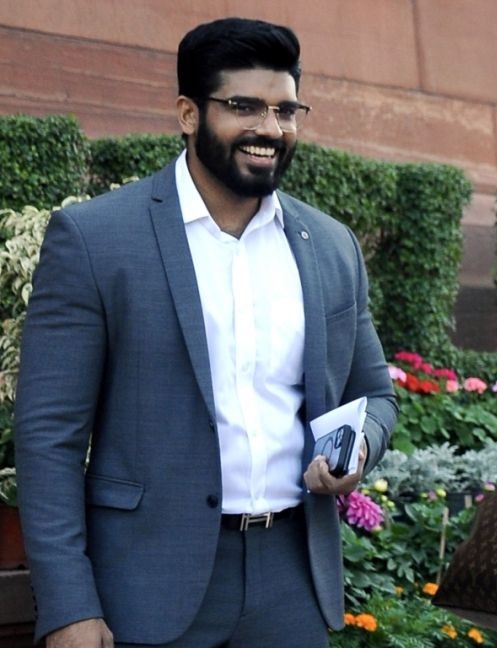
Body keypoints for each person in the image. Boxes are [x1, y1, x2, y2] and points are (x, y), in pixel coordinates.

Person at [13, 17, 397, 648]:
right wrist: (67, 605)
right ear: (189, 114)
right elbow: (48, 436)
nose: (270, 129)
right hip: (143, 586)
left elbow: (375, 394)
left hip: (291, 584)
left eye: (285, 110)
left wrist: (357, 450)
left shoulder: (330, 246)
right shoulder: (96, 240)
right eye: (244, 107)